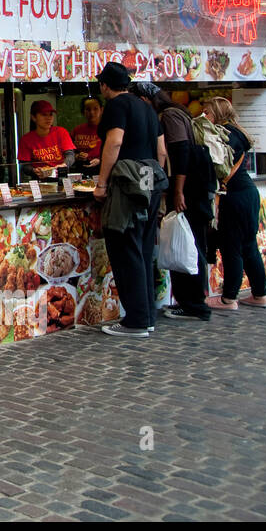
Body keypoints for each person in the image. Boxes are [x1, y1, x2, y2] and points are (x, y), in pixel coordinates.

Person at [93, 63, 168, 338]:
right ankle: (147, 316)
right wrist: (148, 185)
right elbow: (161, 151)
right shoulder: (147, 107)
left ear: (104, 85)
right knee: (144, 249)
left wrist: (101, 184)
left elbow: (114, 143)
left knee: (126, 247)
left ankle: (135, 320)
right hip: (150, 179)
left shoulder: (116, 105)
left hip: (128, 182)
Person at [134, 84, 215, 321]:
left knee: (188, 243)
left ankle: (194, 304)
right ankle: (191, 302)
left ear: (144, 98)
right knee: (189, 241)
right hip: (192, 188)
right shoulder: (177, 112)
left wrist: (177, 190)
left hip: (188, 190)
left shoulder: (169, 116)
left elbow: (181, 153)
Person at [202, 97, 266, 310]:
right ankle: (260, 295)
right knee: (249, 245)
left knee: (231, 245)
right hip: (248, 193)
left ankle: (228, 298)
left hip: (235, 196)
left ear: (217, 114)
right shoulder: (238, 132)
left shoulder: (225, 135)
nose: (204, 116)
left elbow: (216, 163)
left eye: (208, 112)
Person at [18, 100, 75, 179]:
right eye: (44, 115)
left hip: (61, 178)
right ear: (34, 117)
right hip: (39, 181)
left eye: (50, 115)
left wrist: (64, 165)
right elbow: (24, 166)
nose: (48, 118)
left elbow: (70, 155)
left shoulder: (61, 132)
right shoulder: (25, 139)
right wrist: (33, 170)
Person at [72, 98, 103, 171]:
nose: (92, 112)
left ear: (101, 110)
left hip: (100, 168)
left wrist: (100, 160)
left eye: (95, 109)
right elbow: (68, 152)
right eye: (88, 109)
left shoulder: (107, 129)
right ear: (83, 112)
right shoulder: (77, 130)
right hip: (80, 168)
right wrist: (77, 156)